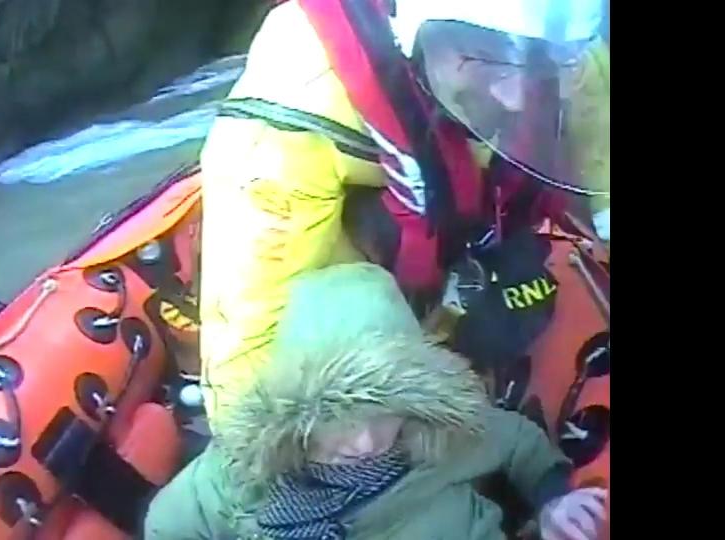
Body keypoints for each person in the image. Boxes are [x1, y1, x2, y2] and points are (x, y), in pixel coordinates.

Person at [197, 0, 609, 421]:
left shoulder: (565, 47)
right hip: (366, 311)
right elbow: (249, 346)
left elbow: (600, 152)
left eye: (537, 57)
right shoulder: (289, 122)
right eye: (486, 55)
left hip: (476, 244)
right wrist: (269, 457)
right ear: (416, 30)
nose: (517, 98)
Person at [146, 263, 607, 539]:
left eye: (384, 413)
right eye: (340, 416)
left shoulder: (441, 433)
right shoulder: (242, 468)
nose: (366, 441)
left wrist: (553, 503)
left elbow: (518, 443)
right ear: (295, 411)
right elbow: (168, 524)